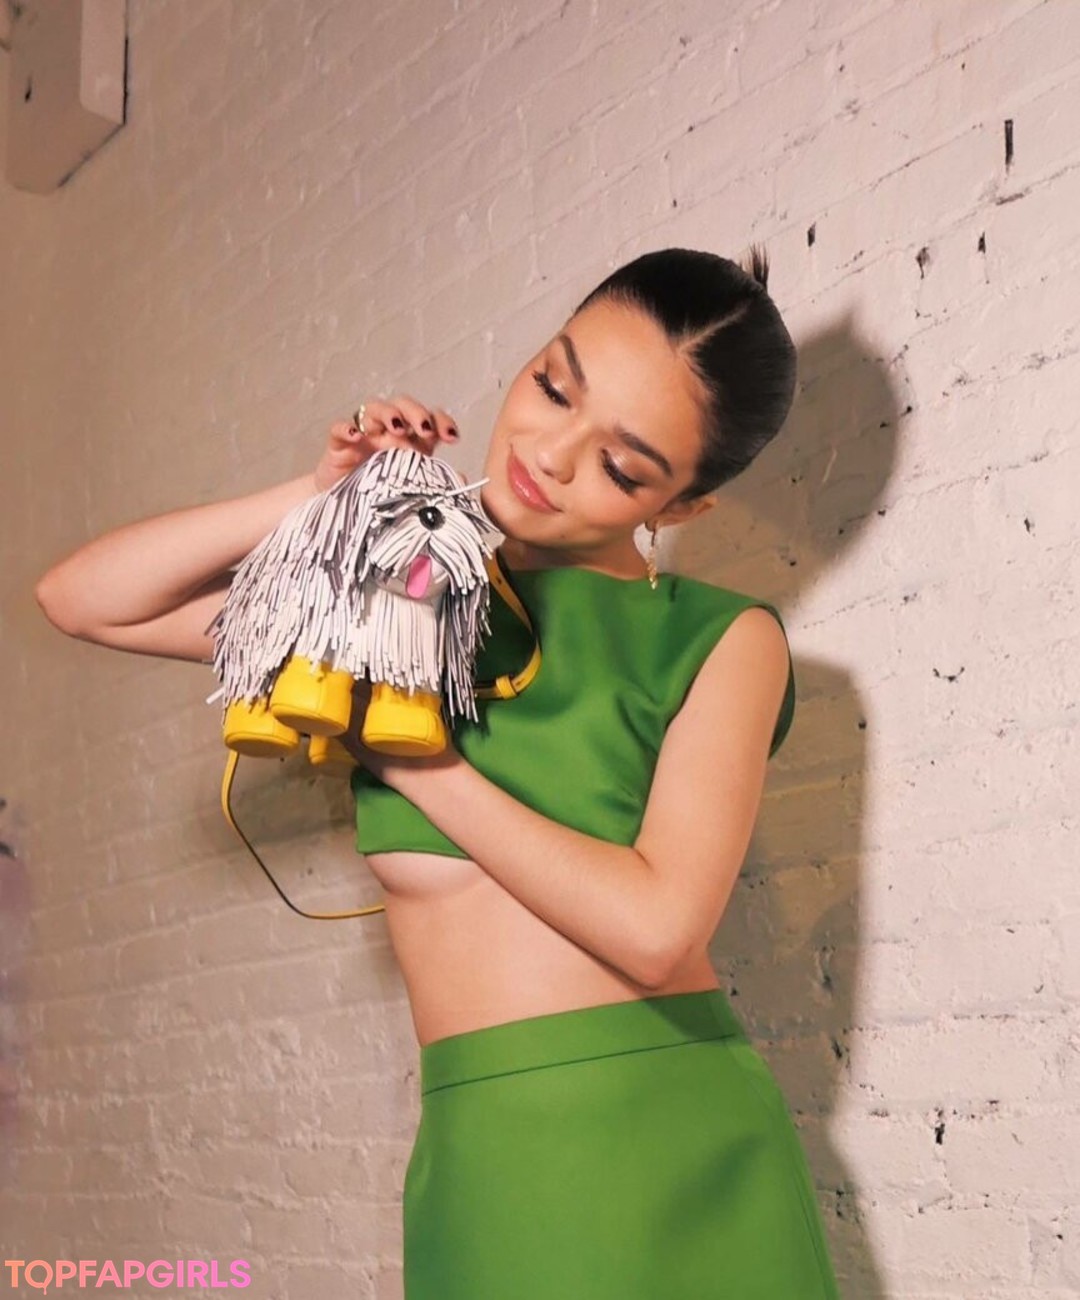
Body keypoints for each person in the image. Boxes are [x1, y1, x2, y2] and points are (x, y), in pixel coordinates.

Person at [35, 247, 841, 1298]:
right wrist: (319, 496)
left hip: (669, 1144)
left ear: (680, 508)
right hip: (477, 1148)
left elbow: (657, 929)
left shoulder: (723, 639)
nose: (549, 453)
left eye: (621, 467)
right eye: (554, 387)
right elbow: (85, 600)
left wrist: (417, 762)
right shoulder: (399, 599)